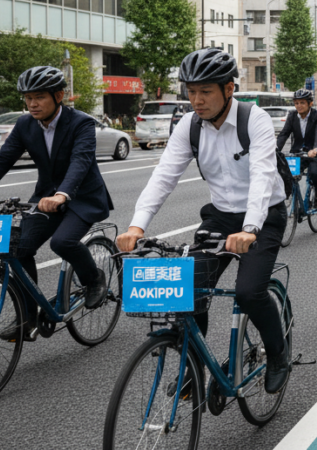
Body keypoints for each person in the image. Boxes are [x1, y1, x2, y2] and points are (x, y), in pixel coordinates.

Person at [117, 49, 292, 392]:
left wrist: (250, 229)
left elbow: (262, 175)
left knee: (248, 292)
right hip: (221, 216)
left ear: (228, 89)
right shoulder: (189, 125)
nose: (196, 100)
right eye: (190, 91)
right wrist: (137, 226)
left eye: (205, 91)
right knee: (188, 289)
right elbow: (164, 175)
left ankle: (277, 354)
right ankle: (192, 368)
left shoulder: (253, 119)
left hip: (263, 216)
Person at [0, 67, 112, 340]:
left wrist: (62, 195)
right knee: (18, 248)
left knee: (62, 242)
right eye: (28, 97)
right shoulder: (25, 124)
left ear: (58, 95)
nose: (32, 104)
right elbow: (2, 160)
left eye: (39, 97)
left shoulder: (81, 123)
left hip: (81, 197)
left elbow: (80, 162)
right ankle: (27, 319)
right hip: (44, 198)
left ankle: (93, 278)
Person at [276, 88, 317, 209]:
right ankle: (289, 196)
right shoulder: (292, 115)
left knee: (315, 173)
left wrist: (315, 149)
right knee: (285, 172)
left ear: (310, 103)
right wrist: (275, 149)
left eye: (302, 103)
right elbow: (284, 134)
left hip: (315, 153)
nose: (299, 106)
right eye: (296, 103)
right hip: (298, 153)